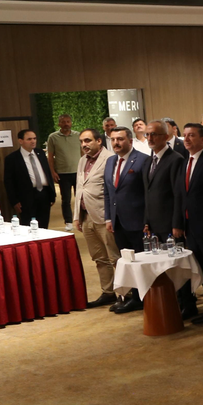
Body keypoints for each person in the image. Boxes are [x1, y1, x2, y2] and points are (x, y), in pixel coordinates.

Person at [102, 127, 149, 314]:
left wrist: (147, 220)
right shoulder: (110, 161)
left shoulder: (142, 160)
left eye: (120, 139)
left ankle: (145, 298)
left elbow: (148, 194)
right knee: (127, 262)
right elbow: (108, 192)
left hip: (138, 222)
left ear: (130, 140)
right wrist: (108, 217)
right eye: (113, 139)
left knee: (141, 262)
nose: (116, 143)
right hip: (117, 221)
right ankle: (134, 297)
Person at [175, 123, 203, 322]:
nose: (187, 139)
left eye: (191, 135)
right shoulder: (186, 161)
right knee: (200, 270)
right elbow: (181, 196)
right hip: (190, 227)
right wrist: (179, 223)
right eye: (185, 135)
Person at [72, 129, 117, 308]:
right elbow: (80, 188)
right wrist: (77, 216)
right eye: (82, 142)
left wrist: (111, 217)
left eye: (88, 141)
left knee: (115, 257)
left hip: (104, 216)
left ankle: (127, 293)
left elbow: (112, 191)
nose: (84, 145)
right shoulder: (82, 160)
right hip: (86, 216)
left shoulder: (110, 159)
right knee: (99, 258)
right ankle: (108, 292)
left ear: (99, 141)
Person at [141, 120, 185, 251]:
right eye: (147, 134)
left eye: (154, 134)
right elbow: (147, 193)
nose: (150, 138)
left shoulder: (175, 159)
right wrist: (146, 221)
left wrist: (177, 224)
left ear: (166, 136)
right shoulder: (148, 161)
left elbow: (178, 194)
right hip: (153, 225)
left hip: (170, 225)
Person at [4, 129, 54, 228]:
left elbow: (47, 173)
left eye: (34, 138)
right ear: (20, 141)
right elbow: (9, 182)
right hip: (26, 196)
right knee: (28, 225)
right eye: (29, 139)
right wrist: (14, 201)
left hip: (44, 194)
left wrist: (52, 194)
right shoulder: (12, 158)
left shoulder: (40, 153)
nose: (33, 141)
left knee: (44, 225)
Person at [44, 113, 81, 229]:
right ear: (59, 124)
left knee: (81, 198)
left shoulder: (78, 136)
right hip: (62, 173)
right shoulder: (53, 137)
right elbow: (50, 156)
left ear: (71, 123)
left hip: (78, 172)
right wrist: (52, 172)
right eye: (63, 122)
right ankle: (68, 222)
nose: (66, 124)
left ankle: (81, 220)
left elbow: (83, 153)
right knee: (66, 199)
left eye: (68, 121)